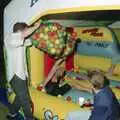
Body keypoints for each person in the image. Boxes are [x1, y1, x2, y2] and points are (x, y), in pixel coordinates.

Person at [4, 21, 41, 120]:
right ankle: (29, 118)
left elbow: (29, 41)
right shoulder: (9, 38)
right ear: (20, 30)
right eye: (26, 29)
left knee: (20, 97)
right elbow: (24, 34)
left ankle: (12, 113)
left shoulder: (21, 39)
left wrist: (36, 32)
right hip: (15, 76)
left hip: (22, 75)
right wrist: (35, 26)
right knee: (25, 98)